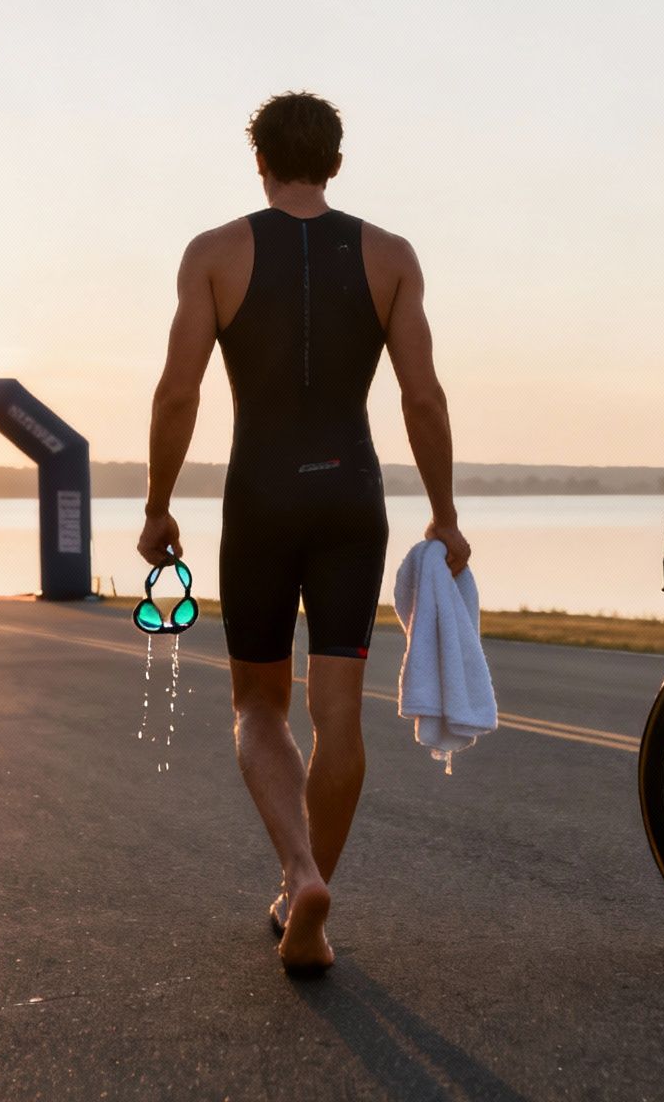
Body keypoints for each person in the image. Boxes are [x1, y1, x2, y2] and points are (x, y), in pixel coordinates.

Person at [137, 92, 471, 974]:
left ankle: (298, 871)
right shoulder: (391, 257)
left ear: (260, 162)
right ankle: (306, 896)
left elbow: (179, 393)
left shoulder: (215, 253)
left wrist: (157, 503)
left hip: (261, 498)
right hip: (351, 500)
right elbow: (422, 397)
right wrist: (444, 513)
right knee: (337, 716)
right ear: (335, 161)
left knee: (257, 705)